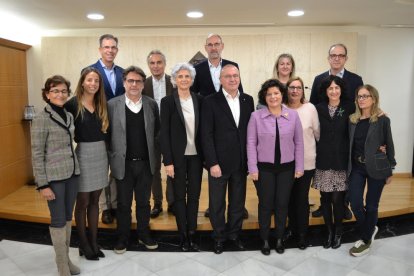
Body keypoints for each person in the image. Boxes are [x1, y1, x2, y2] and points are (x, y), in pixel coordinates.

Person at [192, 33, 248, 219]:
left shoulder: (232, 65)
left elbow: (239, 92)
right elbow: (193, 96)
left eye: (217, 44)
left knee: (237, 185)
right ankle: (215, 210)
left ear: (222, 46)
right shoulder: (197, 69)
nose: (214, 48)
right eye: (210, 45)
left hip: (231, 121)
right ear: (205, 47)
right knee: (216, 180)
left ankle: (236, 211)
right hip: (210, 120)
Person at [247, 79, 304, 255]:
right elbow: (250, 143)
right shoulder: (256, 116)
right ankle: (264, 239)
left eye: (276, 93)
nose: (273, 97)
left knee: (282, 204)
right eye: (269, 94)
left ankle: (279, 238)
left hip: (287, 168)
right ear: (265, 96)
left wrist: (299, 167)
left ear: (282, 95)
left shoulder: (293, 115)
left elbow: (299, 142)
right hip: (264, 169)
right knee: (265, 204)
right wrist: (253, 168)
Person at [201, 64, 254, 254]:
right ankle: (219, 237)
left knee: (238, 202)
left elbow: (250, 133)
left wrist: (250, 160)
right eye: (228, 76)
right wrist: (212, 163)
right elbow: (206, 135)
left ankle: (234, 234)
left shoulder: (248, 100)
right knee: (216, 204)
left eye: (236, 76)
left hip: (240, 162)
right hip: (218, 164)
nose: (233, 79)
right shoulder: (210, 101)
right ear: (220, 80)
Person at [107, 66, 160, 254]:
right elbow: (107, 135)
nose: (134, 84)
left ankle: (144, 234)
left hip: (145, 164)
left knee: (144, 203)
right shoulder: (112, 105)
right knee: (123, 204)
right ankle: (123, 237)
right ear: (124, 83)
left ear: (143, 84)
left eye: (138, 81)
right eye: (130, 81)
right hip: (122, 164)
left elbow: (157, 133)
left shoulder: (151, 104)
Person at [31, 75, 80, 275]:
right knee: (58, 220)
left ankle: (66, 260)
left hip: (72, 174)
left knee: (68, 218)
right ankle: (61, 265)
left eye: (63, 91)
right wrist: (43, 185)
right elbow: (36, 153)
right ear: (47, 94)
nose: (60, 94)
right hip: (54, 178)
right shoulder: (41, 118)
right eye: (55, 90)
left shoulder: (68, 115)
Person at [310, 43, 362, 220]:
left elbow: (361, 105)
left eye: (341, 55)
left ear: (346, 58)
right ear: (328, 58)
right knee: (324, 172)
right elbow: (312, 105)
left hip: (345, 134)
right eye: (334, 55)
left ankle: (343, 204)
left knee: (342, 171)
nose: (337, 58)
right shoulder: (319, 79)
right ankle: (324, 205)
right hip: (324, 134)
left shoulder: (355, 79)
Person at [65, 67, 109, 260]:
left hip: (101, 154)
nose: (93, 84)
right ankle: (82, 243)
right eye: (89, 80)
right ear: (82, 82)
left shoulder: (101, 103)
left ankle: (93, 241)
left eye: (96, 81)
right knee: (82, 202)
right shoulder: (72, 104)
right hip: (83, 153)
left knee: (95, 201)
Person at [348, 85, 396, 257]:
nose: (361, 99)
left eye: (365, 96)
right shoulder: (352, 120)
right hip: (357, 168)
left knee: (372, 204)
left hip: (377, 166)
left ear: (373, 99)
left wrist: (391, 168)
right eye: (359, 96)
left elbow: (389, 144)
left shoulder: (382, 120)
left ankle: (366, 240)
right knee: (355, 202)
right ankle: (370, 228)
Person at [160, 63, 203, 251]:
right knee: (179, 197)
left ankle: (192, 233)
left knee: (194, 196)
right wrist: (167, 161)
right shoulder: (167, 102)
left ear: (192, 80)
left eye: (187, 76)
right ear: (174, 80)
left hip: (196, 156)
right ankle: (182, 234)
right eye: (180, 76)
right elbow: (164, 134)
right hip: (176, 158)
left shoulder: (200, 100)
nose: (184, 79)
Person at [85, 34, 125, 224]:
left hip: (119, 129)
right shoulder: (90, 71)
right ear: (100, 49)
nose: (110, 50)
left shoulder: (122, 73)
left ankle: (115, 204)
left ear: (117, 50)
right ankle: (104, 207)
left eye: (113, 47)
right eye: (106, 47)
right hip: (98, 128)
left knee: (116, 169)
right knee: (102, 169)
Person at [312, 75, 355, 249]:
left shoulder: (350, 107)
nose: (334, 91)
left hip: (341, 160)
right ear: (325, 91)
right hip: (323, 160)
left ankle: (338, 232)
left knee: (338, 199)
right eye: (330, 88)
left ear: (341, 90)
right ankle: (329, 231)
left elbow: (366, 117)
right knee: (325, 198)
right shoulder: (318, 108)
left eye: (337, 88)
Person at [284, 77, 320, 250]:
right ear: (287, 89)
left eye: (299, 87)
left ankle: (303, 234)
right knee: (288, 198)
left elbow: (318, 134)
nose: (295, 91)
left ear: (302, 91)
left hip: (306, 162)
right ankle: (291, 229)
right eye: (292, 87)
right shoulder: (281, 108)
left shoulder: (310, 108)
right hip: (286, 163)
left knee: (301, 198)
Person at [142, 49, 175, 218]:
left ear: (164, 64)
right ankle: (157, 203)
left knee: (172, 169)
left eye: (159, 62)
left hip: (171, 134)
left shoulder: (174, 82)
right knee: (153, 170)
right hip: (151, 134)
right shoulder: (143, 84)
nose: (156, 66)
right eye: (152, 63)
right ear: (148, 65)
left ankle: (172, 202)